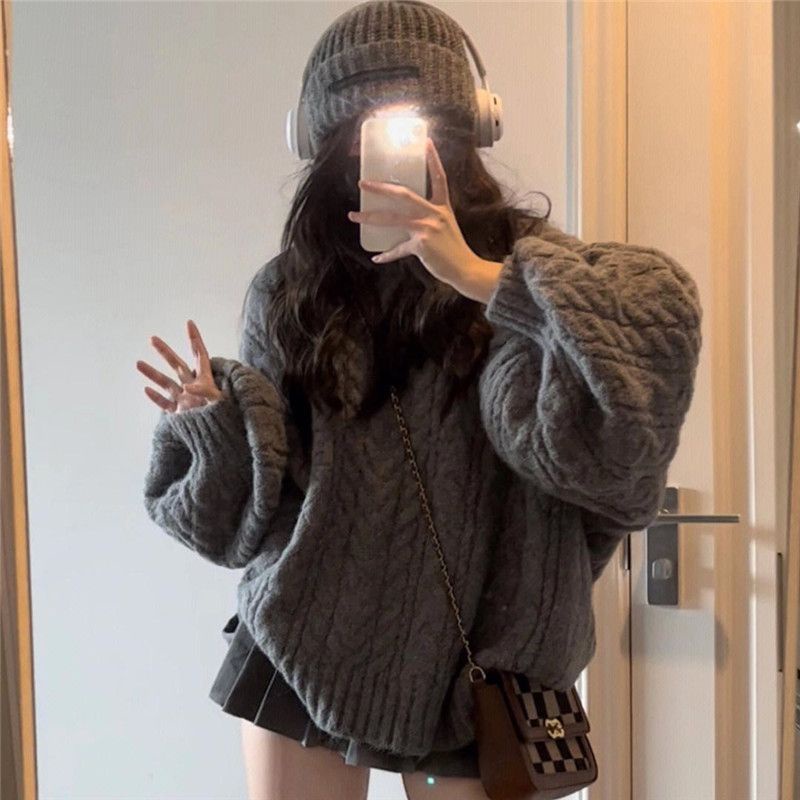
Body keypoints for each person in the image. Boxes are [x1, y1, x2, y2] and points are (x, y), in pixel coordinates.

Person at [137, 2, 704, 798]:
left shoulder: (535, 269)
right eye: (358, 135)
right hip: (306, 638)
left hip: (488, 667)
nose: (381, 157)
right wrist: (214, 426)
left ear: (470, 131)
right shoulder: (290, 292)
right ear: (320, 145)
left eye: (415, 129)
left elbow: (647, 367)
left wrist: (478, 276)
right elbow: (254, 518)